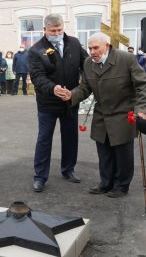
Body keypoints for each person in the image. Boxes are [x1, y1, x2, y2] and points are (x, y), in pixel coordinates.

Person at [63, 32, 146, 198]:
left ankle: (121, 186)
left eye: (96, 47)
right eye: (90, 48)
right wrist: (71, 95)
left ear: (107, 46)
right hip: (101, 115)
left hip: (123, 113)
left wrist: (143, 110)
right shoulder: (89, 63)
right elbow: (85, 88)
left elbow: (143, 85)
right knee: (104, 153)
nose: (92, 51)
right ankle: (105, 183)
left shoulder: (126, 59)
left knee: (122, 154)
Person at [28, 13, 88, 192]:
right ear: (44, 29)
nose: (57, 33)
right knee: (44, 139)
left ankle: (68, 169)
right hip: (48, 103)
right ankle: (40, 176)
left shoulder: (74, 43)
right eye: (53, 31)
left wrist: (79, 90)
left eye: (60, 30)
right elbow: (38, 77)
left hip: (70, 99)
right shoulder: (36, 50)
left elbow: (86, 64)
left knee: (70, 136)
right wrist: (53, 88)